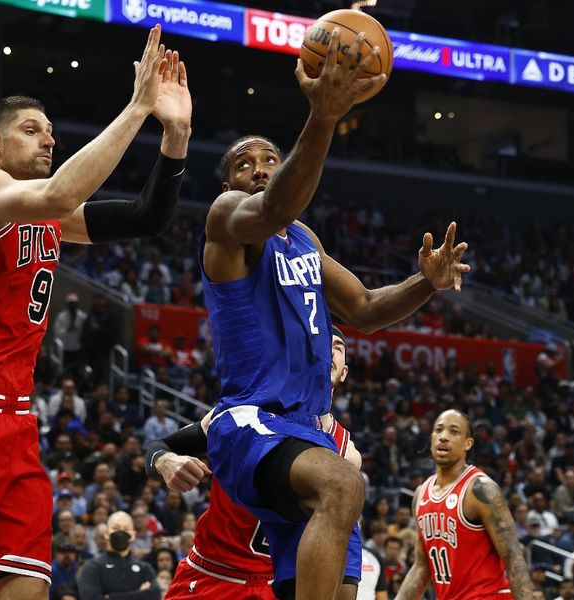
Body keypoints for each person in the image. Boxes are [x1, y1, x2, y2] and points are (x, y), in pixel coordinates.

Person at [0, 25, 190, 598]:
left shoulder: (51, 216)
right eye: (30, 131)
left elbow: (144, 217)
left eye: (51, 132)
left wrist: (175, 136)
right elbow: (58, 194)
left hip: (16, 420)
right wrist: (136, 109)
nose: (47, 140)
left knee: (28, 588)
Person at [200, 28, 469, 600]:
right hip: (251, 420)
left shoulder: (304, 241)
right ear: (228, 184)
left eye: (271, 158)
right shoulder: (227, 219)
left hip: (305, 429)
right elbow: (275, 206)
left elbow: (367, 310)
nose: (261, 168)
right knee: (344, 485)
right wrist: (323, 117)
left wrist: (427, 281)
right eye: (245, 164)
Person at [147, 329, 362, 600]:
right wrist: (165, 461)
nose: (329, 351)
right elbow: (158, 447)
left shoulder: (348, 454)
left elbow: (345, 540)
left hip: (276, 585)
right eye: (321, 343)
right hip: (212, 575)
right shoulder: (244, 412)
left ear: (344, 372)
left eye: (338, 348)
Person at [395, 410, 535, 599]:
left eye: (454, 432)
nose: (444, 437)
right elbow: (422, 567)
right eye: (439, 430)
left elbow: (514, 557)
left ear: (467, 444)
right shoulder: (421, 495)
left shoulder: (481, 489)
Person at [77, 511, 160, 600]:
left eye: (126, 529)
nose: (121, 532)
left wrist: (109, 597)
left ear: (133, 535)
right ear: (106, 534)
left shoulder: (145, 568)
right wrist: (140, 594)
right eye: (116, 528)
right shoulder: (92, 566)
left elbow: (154, 595)